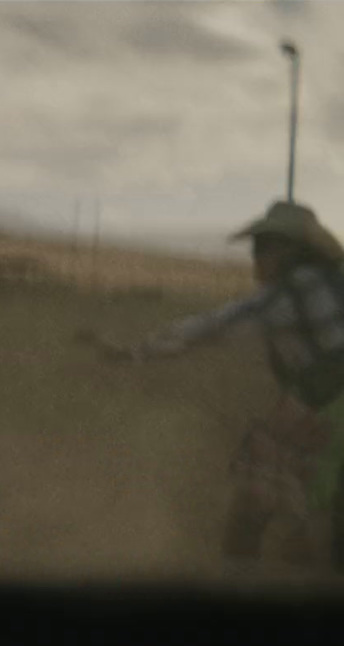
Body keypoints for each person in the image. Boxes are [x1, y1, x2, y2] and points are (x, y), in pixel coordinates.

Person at [84, 200, 344, 574]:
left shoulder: (282, 297)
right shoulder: (333, 281)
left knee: (251, 512)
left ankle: (236, 596)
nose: (255, 259)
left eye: (261, 248)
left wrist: (131, 353)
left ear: (287, 251)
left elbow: (210, 327)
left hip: (323, 413)